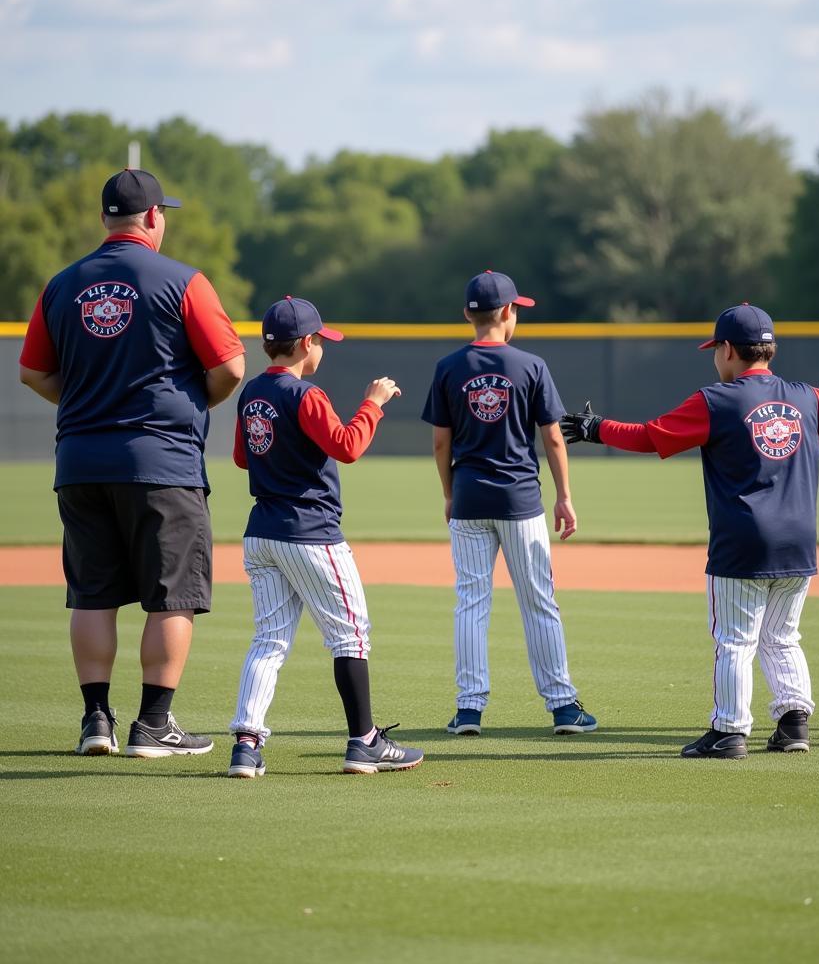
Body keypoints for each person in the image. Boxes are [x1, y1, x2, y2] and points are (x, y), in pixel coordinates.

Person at [561, 304, 819, 759]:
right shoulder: (806, 397)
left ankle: (729, 731)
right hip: (799, 541)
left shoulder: (717, 401)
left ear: (727, 350)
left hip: (742, 541)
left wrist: (595, 428)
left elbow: (650, 436)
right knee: (782, 636)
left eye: (715, 349)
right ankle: (794, 723)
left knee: (735, 639)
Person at [18, 168, 245, 758]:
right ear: (151, 218)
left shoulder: (61, 285)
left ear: (104, 220)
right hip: (161, 463)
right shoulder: (183, 281)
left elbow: (33, 372)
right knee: (172, 596)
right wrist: (196, 402)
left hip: (81, 461)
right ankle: (153, 724)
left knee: (92, 594)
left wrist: (88, 401)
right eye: (162, 212)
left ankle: (96, 721)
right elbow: (231, 367)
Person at [227, 296, 423, 777]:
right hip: (310, 533)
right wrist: (372, 405)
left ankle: (246, 746)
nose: (323, 350)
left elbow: (241, 457)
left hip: (262, 533)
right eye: (321, 342)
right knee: (351, 635)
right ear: (308, 344)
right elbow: (348, 446)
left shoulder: (252, 392)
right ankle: (365, 741)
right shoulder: (305, 395)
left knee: (268, 640)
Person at [421, 270, 597, 737]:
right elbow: (554, 440)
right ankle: (562, 707)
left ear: (468, 314)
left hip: (470, 498)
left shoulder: (448, 367)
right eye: (515, 308)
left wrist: (448, 493)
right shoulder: (530, 365)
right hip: (521, 501)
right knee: (538, 601)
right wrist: (564, 496)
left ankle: (469, 711)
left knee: (471, 603)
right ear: (506, 313)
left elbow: (441, 443)